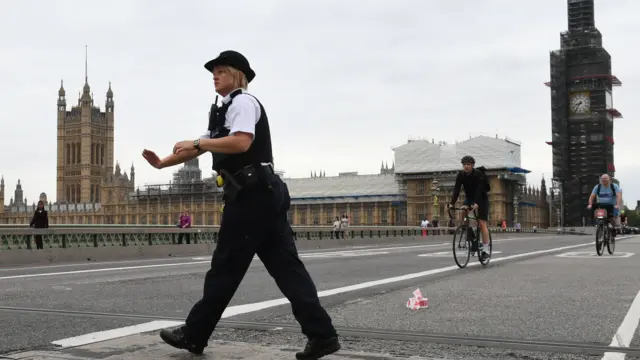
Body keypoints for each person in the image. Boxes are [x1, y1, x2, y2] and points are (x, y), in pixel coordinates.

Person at [142, 50, 340, 359]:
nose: (214, 75)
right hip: (261, 195)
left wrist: (198, 143)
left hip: (252, 196)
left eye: (220, 70)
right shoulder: (222, 111)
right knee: (288, 270)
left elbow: (241, 142)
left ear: (238, 75)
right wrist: (162, 164)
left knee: (225, 268)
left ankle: (195, 334)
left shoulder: (244, 102)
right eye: (213, 72)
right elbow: (197, 148)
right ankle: (322, 335)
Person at [447, 155, 491, 261]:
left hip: (481, 198)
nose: (466, 166)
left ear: (472, 165)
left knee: (481, 223)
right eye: (464, 164)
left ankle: (486, 250)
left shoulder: (479, 174)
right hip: (469, 198)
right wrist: (452, 203)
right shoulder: (461, 175)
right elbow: (456, 190)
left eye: (468, 165)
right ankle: (467, 229)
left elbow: (480, 190)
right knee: (463, 209)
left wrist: (476, 203)